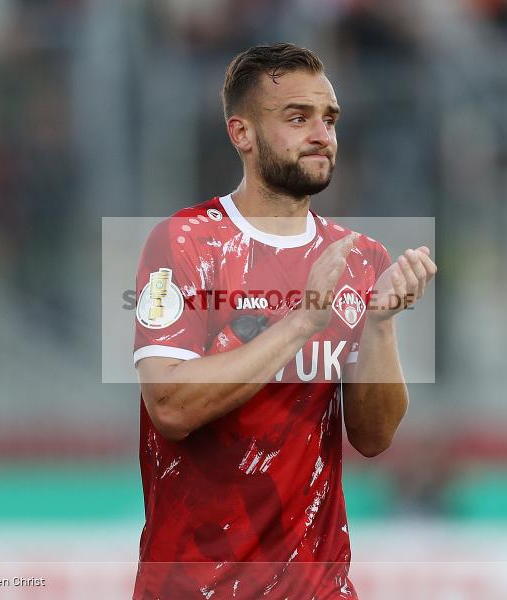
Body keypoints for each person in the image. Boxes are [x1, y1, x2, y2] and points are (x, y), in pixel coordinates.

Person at [132, 43, 436, 599]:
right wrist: (301, 323)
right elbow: (170, 405)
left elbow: (373, 436)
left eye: (329, 119)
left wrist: (380, 324)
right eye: (298, 118)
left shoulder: (358, 256)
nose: (321, 133)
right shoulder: (186, 243)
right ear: (241, 134)